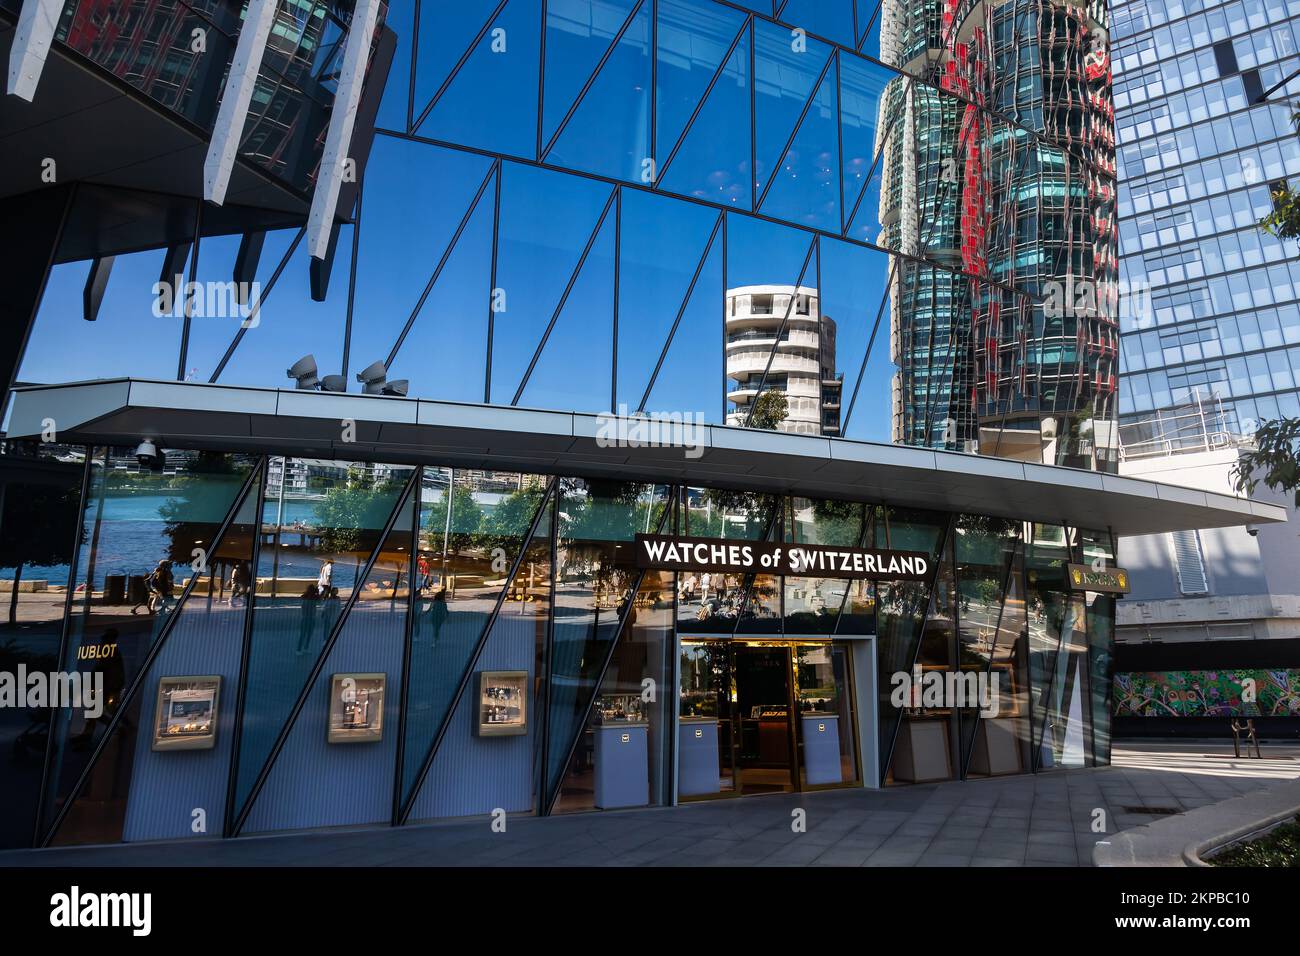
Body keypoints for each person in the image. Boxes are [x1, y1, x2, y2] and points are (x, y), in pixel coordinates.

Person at [296, 584, 320, 654]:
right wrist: (317, 592)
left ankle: (299, 649)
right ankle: (305, 648)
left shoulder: (304, 596)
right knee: (309, 634)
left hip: (305, 617)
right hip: (311, 617)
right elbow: (319, 599)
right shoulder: (314, 597)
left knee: (303, 634)